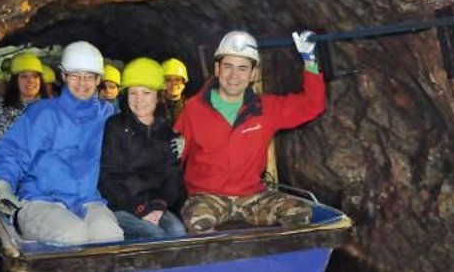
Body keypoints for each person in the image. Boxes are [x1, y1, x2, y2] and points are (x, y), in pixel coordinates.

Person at [174, 29, 324, 232]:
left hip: (252, 196)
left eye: (243, 68)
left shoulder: (266, 109)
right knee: (198, 223)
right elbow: (173, 159)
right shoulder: (193, 109)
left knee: (299, 212)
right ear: (217, 69)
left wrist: (310, 61)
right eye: (228, 66)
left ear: (253, 74)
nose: (234, 75)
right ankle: (219, 263)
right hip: (208, 197)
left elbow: (312, 105)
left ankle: (278, 261)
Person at [0, 41, 123, 245]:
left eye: (89, 77)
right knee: (74, 235)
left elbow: (131, 140)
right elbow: (14, 150)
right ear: (64, 76)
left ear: (98, 79)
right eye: (75, 75)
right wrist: (1, 184)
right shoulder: (43, 112)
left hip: (87, 200)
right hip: (39, 199)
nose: (82, 83)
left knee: (110, 235)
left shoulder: (108, 114)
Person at [99, 58, 186, 240]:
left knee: (178, 232)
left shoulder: (165, 131)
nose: (139, 100)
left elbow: (172, 176)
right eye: (133, 93)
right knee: (154, 235)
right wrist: (138, 207)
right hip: (122, 205)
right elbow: (108, 178)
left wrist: (159, 203)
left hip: (154, 204)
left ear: (158, 95)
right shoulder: (115, 126)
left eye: (146, 93)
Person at [0, 52, 45, 151]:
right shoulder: (3, 110)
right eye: (24, 76)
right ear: (15, 81)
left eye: (35, 76)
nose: (30, 81)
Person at [160, 57, 189, 123]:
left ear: (183, 84)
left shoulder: (192, 109)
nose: (173, 83)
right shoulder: (153, 110)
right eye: (168, 80)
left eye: (177, 79)